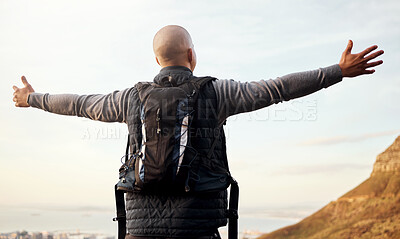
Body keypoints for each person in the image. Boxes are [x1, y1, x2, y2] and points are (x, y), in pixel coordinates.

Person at [12, 25, 384, 239]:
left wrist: (33, 98)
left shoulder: (129, 98)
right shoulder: (216, 93)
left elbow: (78, 103)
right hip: (198, 230)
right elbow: (278, 88)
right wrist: (338, 71)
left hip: (140, 231)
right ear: (191, 55)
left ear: (156, 59)